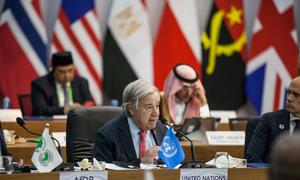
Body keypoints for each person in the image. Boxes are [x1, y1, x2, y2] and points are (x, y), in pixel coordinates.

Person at [93, 79, 167, 165]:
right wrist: (141, 162)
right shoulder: (107, 135)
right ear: (131, 109)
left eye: (157, 106)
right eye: (149, 107)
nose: (155, 113)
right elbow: (101, 169)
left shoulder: (161, 129)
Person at [246, 76, 300, 163]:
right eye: (289, 92)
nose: (289, 98)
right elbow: (253, 158)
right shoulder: (269, 120)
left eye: (296, 95)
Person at [31, 51, 94, 116]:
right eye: (62, 72)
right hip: (52, 123)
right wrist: (64, 109)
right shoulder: (40, 85)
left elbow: (89, 102)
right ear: (53, 70)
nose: (67, 75)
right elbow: (40, 110)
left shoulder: (81, 82)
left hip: (77, 123)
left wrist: (84, 107)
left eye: (70, 70)